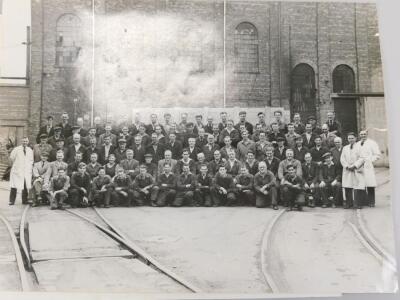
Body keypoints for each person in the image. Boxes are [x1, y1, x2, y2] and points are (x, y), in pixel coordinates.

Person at [340, 132, 365, 209]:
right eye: (349, 138)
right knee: (348, 186)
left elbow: (362, 158)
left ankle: (358, 204)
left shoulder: (360, 147)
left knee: (358, 186)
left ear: (355, 138)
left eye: (352, 138)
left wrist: (354, 166)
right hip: (347, 170)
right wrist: (347, 166)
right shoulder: (345, 148)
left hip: (356, 169)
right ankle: (349, 203)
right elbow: (342, 158)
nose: (350, 140)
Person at [358, 130, 380, 207]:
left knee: (370, 184)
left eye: (364, 134)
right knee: (361, 184)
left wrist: (370, 160)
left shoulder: (372, 143)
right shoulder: (358, 144)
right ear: (359, 135)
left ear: (367, 134)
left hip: (368, 166)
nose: (363, 135)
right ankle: (364, 201)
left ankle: (371, 202)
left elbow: (377, 155)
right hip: (360, 166)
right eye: (361, 134)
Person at [9, 137, 33, 205]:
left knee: (25, 185)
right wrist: (16, 166)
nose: (24, 143)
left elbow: (31, 160)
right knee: (14, 185)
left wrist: (29, 168)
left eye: (26, 141)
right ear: (21, 142)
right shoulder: (16, 149)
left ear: (28, 142)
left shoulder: (30, 150)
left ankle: (24, 200)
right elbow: (11, 158)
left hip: (26, 171)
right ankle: (11, 200)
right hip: (17, 170)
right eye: (23, 141)